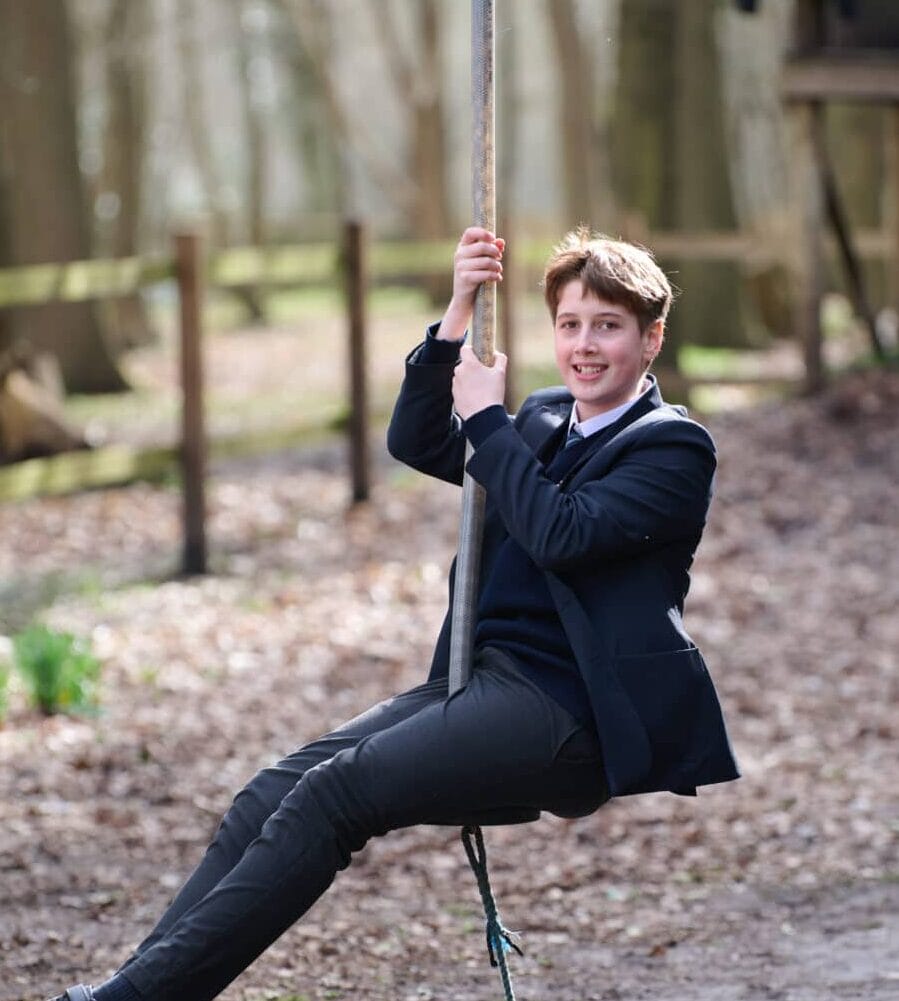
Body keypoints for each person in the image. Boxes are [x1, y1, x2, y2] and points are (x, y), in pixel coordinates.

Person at [49, 227, 739, 1001]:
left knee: (333, 797)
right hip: (480, 680)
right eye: (570, 324)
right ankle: (136, 986)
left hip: (567, 708)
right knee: (270, 791)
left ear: (651, 339)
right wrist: (454, 317)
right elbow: (416, 440)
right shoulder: (544, 418)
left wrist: (486, 421)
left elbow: (560, 531)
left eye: (607, 327)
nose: (583, 345)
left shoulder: (672, 448)